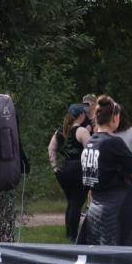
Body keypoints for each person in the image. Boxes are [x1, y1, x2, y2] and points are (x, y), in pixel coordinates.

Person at [75, 96, 132, 247]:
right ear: (115, 117)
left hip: (96, 208)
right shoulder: (114, 142)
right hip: (118, 208)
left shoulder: (90, 143)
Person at [48, 103, 91, 242]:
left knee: (71, 202)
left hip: (64, 169)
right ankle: (73, 235)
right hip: (78, 169)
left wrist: (54, 167)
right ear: (81, 115)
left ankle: (69, 233)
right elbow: (91, 152)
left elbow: (51, 148)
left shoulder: (61, 130)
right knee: (77, 203)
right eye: (84, 113)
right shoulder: (82, 131)